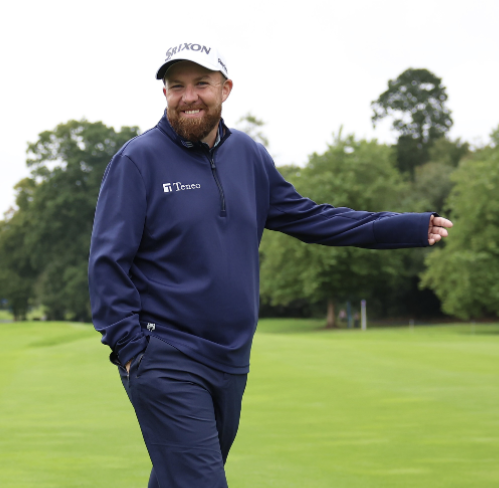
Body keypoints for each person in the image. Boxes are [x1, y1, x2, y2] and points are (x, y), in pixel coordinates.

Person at [88, 43, 453, 488]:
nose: (189, 96)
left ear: (225, 89)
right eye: (176, 86)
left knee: (178, 479)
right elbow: (107, 262)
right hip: (165, 356)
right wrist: (131, 350)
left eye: (201, 83)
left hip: (230, 360)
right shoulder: (137, 160)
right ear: (164, 92)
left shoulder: (249, 156)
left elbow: (312, 218)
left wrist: (405, 227)